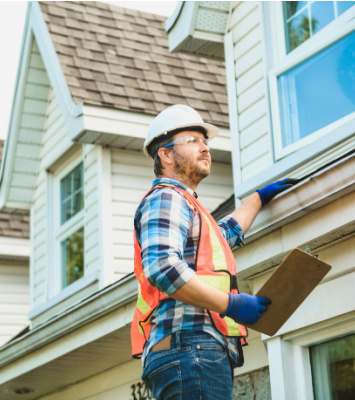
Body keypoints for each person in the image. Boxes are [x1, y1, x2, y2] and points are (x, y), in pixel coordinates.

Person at [131, 105, 297, 400]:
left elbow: (225, 235)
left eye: (205, 141)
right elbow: (163, 268)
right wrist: (231, 305)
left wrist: (257, 198)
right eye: (193, 140)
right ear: (166, 155)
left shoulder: (189, 206)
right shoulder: (167, 197)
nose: (205, 147)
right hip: (191, 348)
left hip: (193, 350)